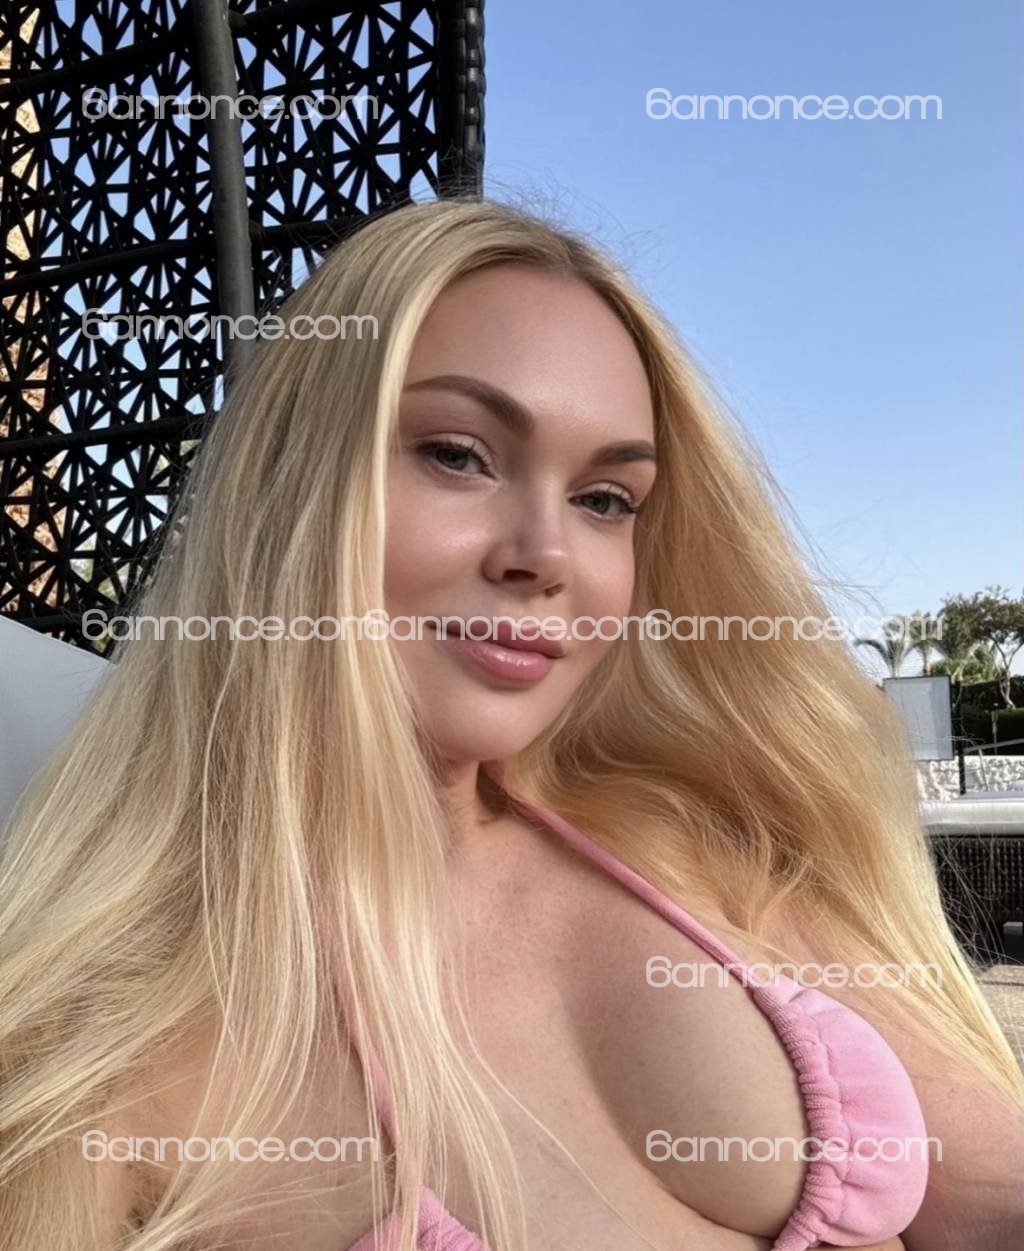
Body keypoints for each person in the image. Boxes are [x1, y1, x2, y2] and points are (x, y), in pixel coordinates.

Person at [0, 197, 1020, 1251]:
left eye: (606, 499)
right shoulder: (112, 1056)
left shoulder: (704, 852)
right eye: (458, 454)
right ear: (287, 483)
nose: (547, 555)